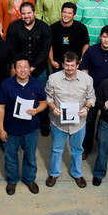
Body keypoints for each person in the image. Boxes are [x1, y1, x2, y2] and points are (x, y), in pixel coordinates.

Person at [44, 52, 96, 189]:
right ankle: (54, 173)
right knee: (56, 149)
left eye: (72, 65)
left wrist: (87, 108)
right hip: (58, 122)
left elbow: (92, 98)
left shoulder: (87, 79)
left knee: (77, 149)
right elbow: (48, 97)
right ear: (62, 64)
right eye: (66, 65)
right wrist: (53, 107)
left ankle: (77, 173)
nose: (69, 68)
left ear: (78, 65)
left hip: (78, 123)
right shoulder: (53, 78)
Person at [0, 58, 47, 195]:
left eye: (25, 67)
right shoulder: (6, 84)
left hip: (30, 129)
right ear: (14, 69)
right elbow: (0, 107)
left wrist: (36, 110)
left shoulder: (37, 84)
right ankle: (12, 180)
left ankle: (29, 179)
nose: (22, 70)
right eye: (19, 67)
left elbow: (44, 102)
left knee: (30, 156)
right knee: (10, 156)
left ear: (30, 69)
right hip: (11, 129)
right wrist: (1, 129)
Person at [79, 25, 108, 157]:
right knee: (90, 120)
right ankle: (86, 147)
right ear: (100, 37)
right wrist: (87, 91)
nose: (106, 40)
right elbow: (84, 71)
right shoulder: (91, 51)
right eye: (104, 37)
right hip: (93, 92)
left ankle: (102, 146)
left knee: (106, 121)